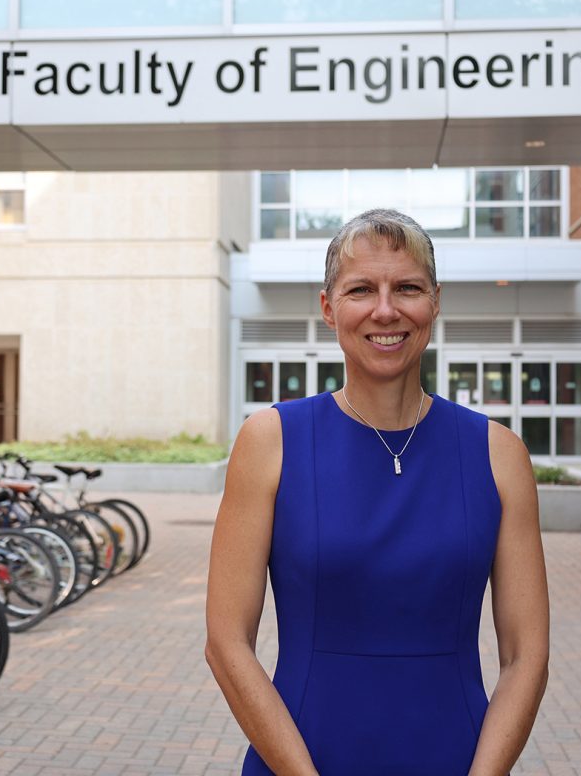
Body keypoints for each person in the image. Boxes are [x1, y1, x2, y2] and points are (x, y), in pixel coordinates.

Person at [205, 208, 549, 775]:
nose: (385, 310)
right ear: (327, 308)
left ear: (434, 302)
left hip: (456, 761)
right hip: (299, 761)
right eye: (361, 289)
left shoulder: (499, 454)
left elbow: (525, 657)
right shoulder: (271, 441)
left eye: (407, 288)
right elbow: (226, 643)